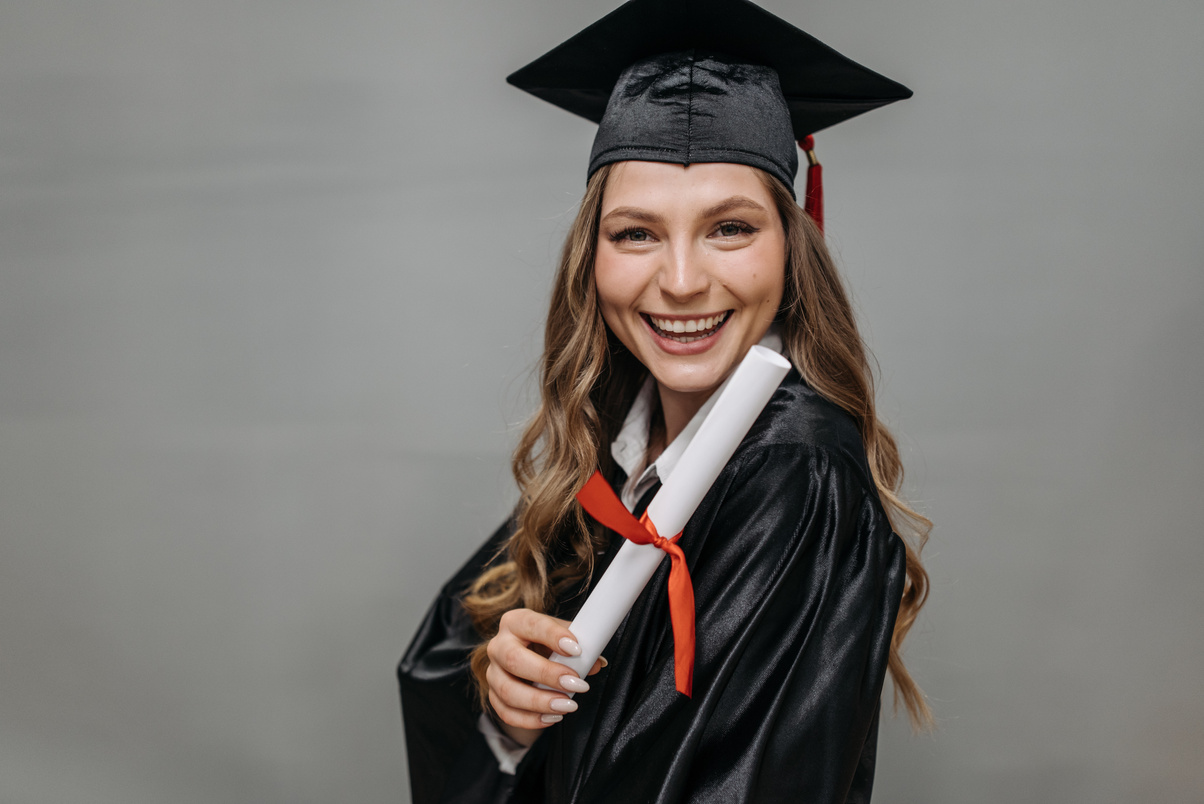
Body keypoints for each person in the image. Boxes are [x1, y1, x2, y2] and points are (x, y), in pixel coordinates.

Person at [399, 1, 932, 801]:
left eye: (730, 228)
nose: (681, 282)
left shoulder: (796, 480)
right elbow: (447, 657)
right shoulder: (618, 453)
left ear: (793, 247)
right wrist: (507, 707)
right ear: (591, 260)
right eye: (636, 234)